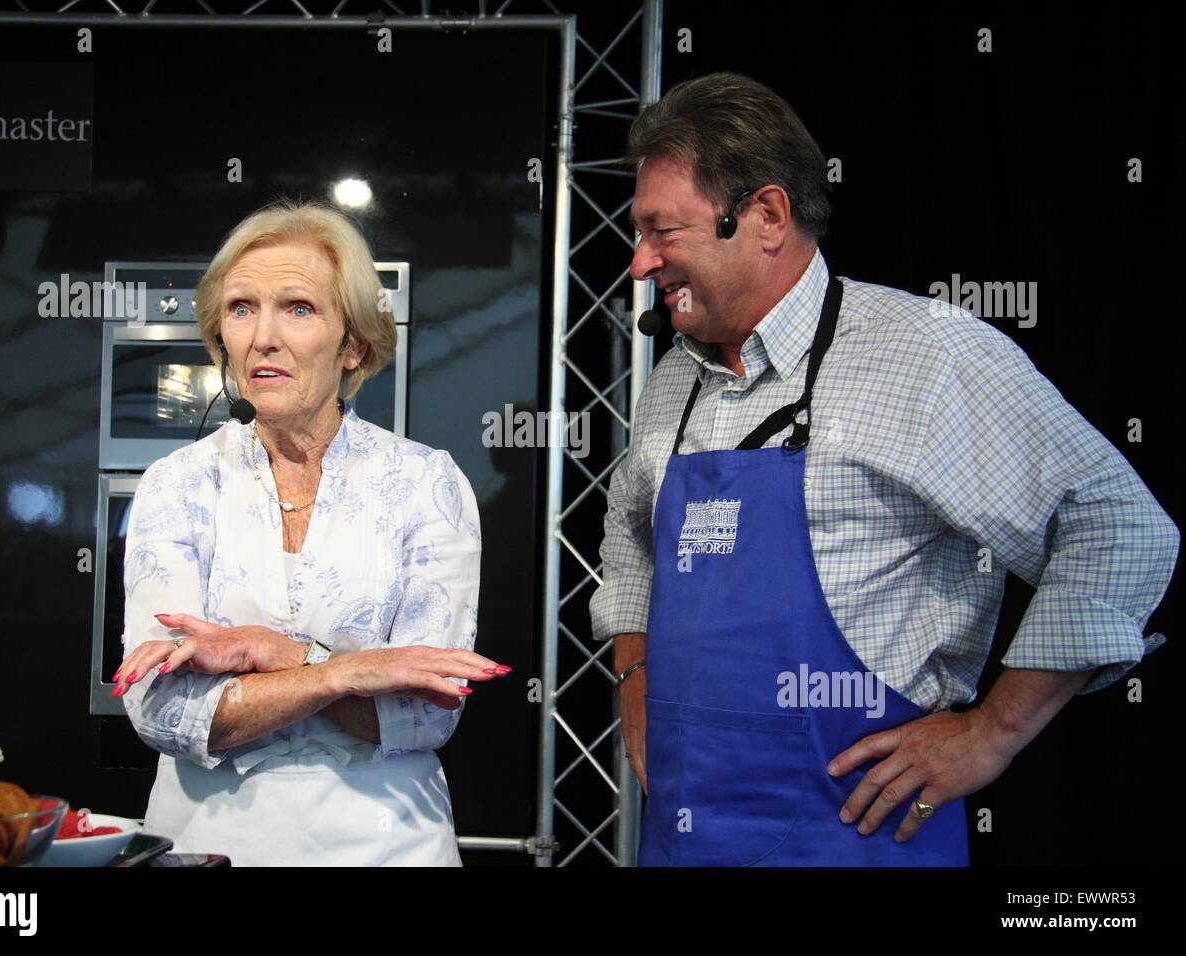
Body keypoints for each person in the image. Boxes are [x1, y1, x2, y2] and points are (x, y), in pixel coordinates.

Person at [590, 73, 1178, 866]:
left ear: (765, 216)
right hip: (686, 841)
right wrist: (635, 675)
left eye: (664, 232)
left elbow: (1119, 526)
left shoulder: (926, 354)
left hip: (861, 839)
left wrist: (992, 734)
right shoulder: (671, 383)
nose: (640, 263)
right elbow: (630, 534)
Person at [113, 199, 507, 866]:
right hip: (206, 845)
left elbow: (425, 713)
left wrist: (280, 655)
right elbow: (165, 711)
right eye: (241, 308)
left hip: (386, 845)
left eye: (297, 307)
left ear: (353, 344)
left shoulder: (424, 484)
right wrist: (349, 673)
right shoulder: (175, 485)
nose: (263, 336)